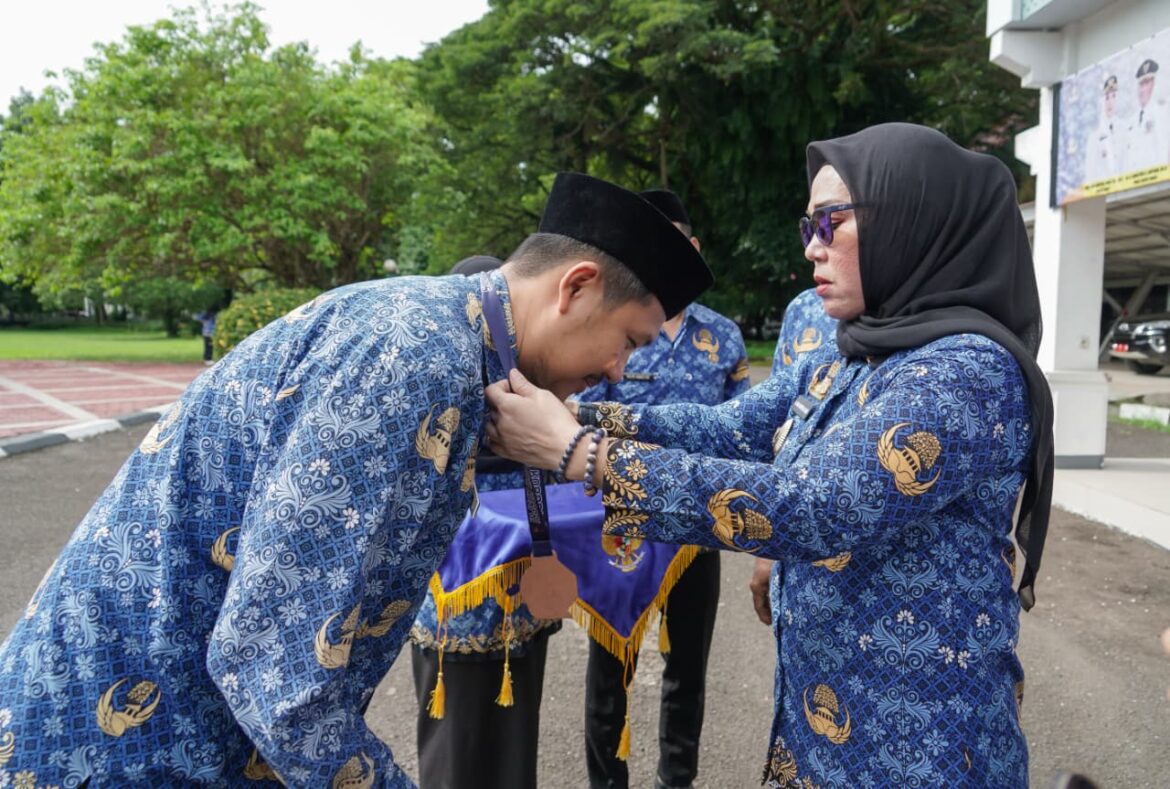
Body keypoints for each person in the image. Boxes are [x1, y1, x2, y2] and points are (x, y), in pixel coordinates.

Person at [0, 172, 712, 787]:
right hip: (115, 747)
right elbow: (280, 683)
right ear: (576, 286)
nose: (620, 368)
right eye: (628, 341)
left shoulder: (452, 340)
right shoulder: (411, 358)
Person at [486, 123, 1055, 787]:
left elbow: (819, 505)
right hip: (823, 730)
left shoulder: (967, 370)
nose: (812, 246)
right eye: (808, 225)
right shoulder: (853, 352)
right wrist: (576, 416)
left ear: (912, 222)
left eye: (831, 221)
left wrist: (583, 454)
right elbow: (731, 428)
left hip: (916, 749)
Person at [576, 188, 749, 789]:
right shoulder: (612, 326)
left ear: (693, 248)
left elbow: (741, 430)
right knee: (611, 668)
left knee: (688, 671)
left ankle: (677, 780)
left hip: (698, 527)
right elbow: (582, 418)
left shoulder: (723, 336)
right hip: (623, 525)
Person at [407, 254, 562, 789]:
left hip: (521, 603)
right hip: (453, 606)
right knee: (455, 756)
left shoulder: (530, 383)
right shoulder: (437, 379)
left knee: (514, 756)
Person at [1126, 58, 1167, 171]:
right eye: (1141, 84)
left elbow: (1164, 149)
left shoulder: (1162, 113)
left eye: (1146, 83)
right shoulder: (1131, 122)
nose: (1142, 89)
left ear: (1154, 85)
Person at [1084, 75, 1124, 183]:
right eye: (1106, 98)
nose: (1110, 103)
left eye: (1113, 96)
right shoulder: (1094, 138)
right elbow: (1090, 174)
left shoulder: (1125, 129)